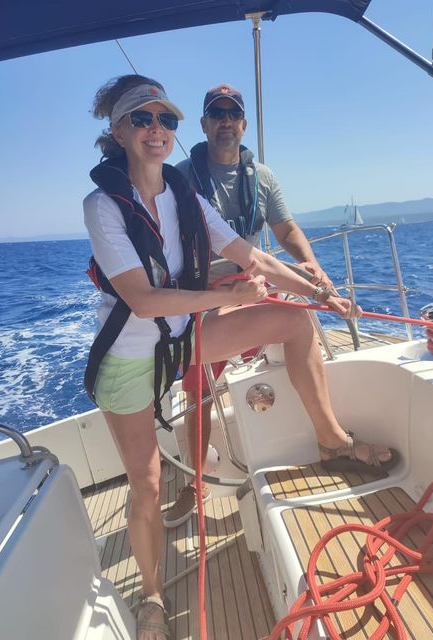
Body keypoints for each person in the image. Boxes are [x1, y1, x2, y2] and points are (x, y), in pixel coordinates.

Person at [84, 74, 398, 640]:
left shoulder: (186, 197)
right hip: (131, 356)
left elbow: (250, 254)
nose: (157, 129)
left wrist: (317, 291)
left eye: (166, 120)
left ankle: (333, 443)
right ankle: (152, 598)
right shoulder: (103, 205)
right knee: (147, 484)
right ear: (119, 130)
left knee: (294, 321)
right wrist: (223, 298)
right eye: (142, 118)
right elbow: (141, 299)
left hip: (183, 338)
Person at [166, 83, 336, 527]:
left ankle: (317, 436)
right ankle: (196, 480)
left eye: (232, 114)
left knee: (305, 326)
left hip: (254, 282)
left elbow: (285, 231)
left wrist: (310, 267)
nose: (225, 121)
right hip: (204, 294)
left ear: (243, 124)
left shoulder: (261, 177)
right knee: (198, 390)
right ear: (204, 125)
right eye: (216, 114)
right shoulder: (182, 179)